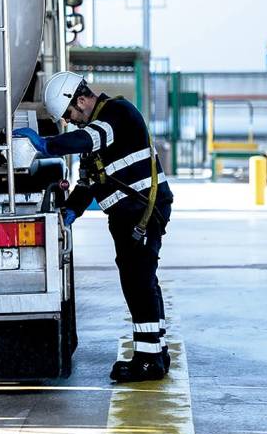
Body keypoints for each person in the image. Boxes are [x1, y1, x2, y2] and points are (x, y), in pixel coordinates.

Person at [14, 71, 174, 382]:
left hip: (142, 211)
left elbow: (87, 138)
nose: (71, 122)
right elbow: (88, 184)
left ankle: (148, 360)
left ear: (83, 99)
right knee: (140, 279)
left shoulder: (117, 113)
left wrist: (46, 145)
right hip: (128, 213)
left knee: (138, 281)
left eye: (71, 114)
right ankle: (156, 351)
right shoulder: (96, 131)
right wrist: (70, 211)